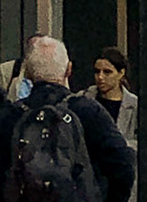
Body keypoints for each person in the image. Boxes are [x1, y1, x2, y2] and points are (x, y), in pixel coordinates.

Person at [0, 35, 135, 202]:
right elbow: (123, 165)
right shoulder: (88, 111)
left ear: (28, 73)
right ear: (69, 69)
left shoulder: (11, 115)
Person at [84, 46, 139, 149]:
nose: (100, 77)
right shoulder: (84, 98)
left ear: (121, 73)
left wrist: (117, 145)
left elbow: (142, 143)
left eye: (107, 72)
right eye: (97, 71)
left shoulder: (134, 105)